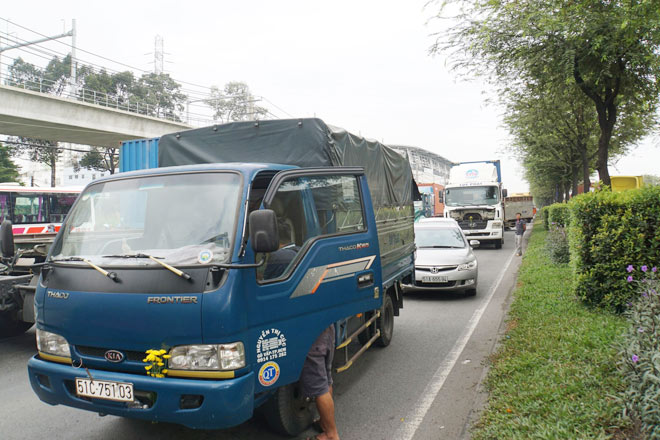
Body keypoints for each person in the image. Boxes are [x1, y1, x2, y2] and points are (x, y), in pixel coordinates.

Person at [300, 324, 340, 440]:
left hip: (312, 335)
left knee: (319, 388)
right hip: (327, 328)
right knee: (326, 380)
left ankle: (331, 435)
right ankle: (324, 423)